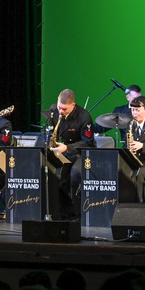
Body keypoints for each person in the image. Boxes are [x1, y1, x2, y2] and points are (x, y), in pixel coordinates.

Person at [47, 89, 96, 219]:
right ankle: (63, 212)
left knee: (75, 175)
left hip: (80, 153)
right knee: (54, 174)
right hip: (61, 150)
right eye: (59, 107)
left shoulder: (85, 117)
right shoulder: (53, 110)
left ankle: (79, 212)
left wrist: (67, 148)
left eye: (64, 109)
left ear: (73, 105)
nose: (61, 112)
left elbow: (88, 142)